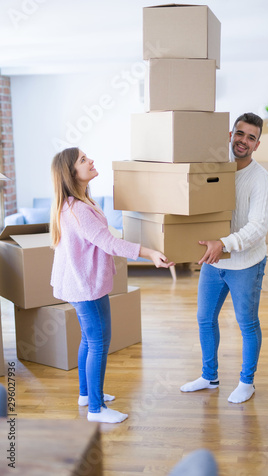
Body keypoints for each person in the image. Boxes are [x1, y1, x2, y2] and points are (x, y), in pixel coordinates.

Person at [50, 147, 174, 424]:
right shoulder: (79, 209)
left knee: (89, 339)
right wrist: (150, 252)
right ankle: (96, 409)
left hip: (83, 284)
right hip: (86, 287)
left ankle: (87, 395)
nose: (91, 160)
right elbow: (109, 243)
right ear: (71, 173)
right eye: (83, 160)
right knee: (98, 343)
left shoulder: (76, 203)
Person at [180, 113, 268, 403]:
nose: (243, 141)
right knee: (205, 319)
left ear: (257, 144)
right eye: (240, 134)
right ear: (229, 134)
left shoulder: (260, 179)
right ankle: (210, 377)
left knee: (247, 323)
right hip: (215, 261)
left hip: (245, 263)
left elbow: (258, 227)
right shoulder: (216, 167)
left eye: (251, 137)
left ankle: (247, 382)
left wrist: (224, 243)